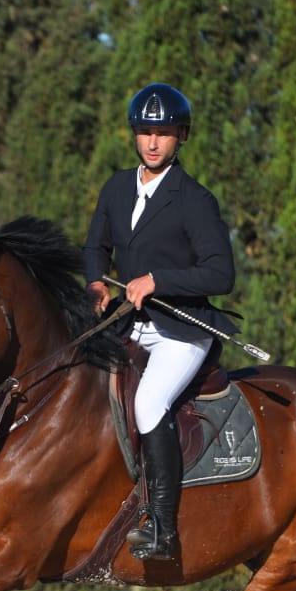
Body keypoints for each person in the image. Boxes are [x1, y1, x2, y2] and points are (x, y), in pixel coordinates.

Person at [83, 82, 237, 562]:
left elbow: (221, 273)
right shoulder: (115, 188)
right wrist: (96, 284)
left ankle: (163, 529)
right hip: (130, 325)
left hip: (182, 332)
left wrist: (157, 280)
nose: (152, 143)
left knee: (149, 402)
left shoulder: (194, 200)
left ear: (180, 137)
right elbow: (94, 249)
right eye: (145, 132)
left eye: (164, 133)